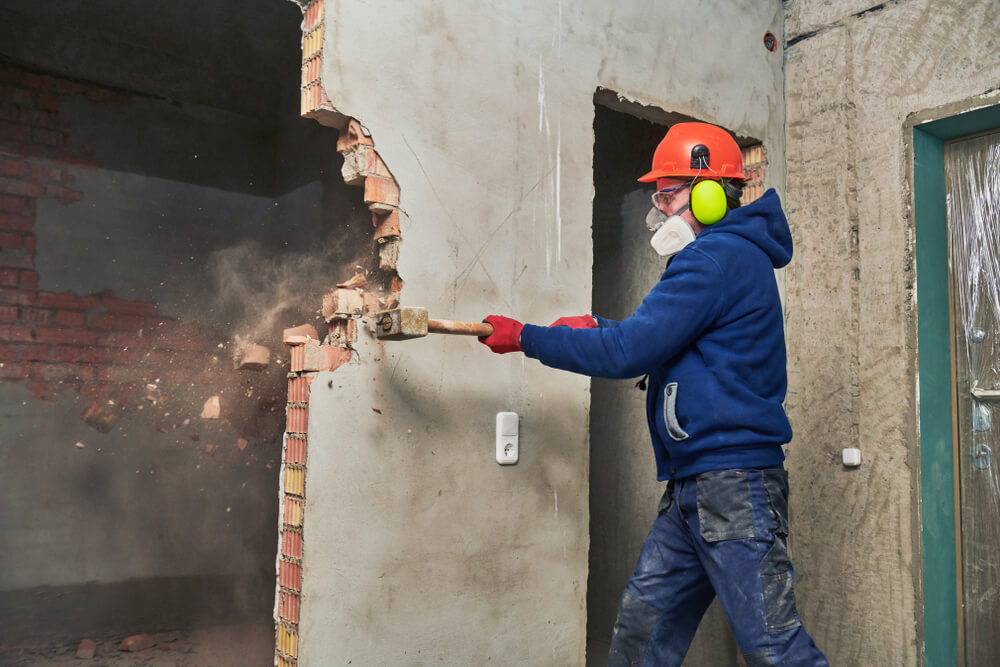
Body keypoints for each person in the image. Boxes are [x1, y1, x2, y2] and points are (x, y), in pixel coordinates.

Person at [478, 122, 828, 666]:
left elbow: (629, 352)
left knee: (774, 649)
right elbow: (667, 341)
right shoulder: (724, 260)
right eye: (657, 197)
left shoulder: (714, 259)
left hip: (732, 488)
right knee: (642, 635)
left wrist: (528, 337)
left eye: (668, 194)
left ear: (710, 193)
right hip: (697, 489)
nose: (660, 209)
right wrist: (596, 326)